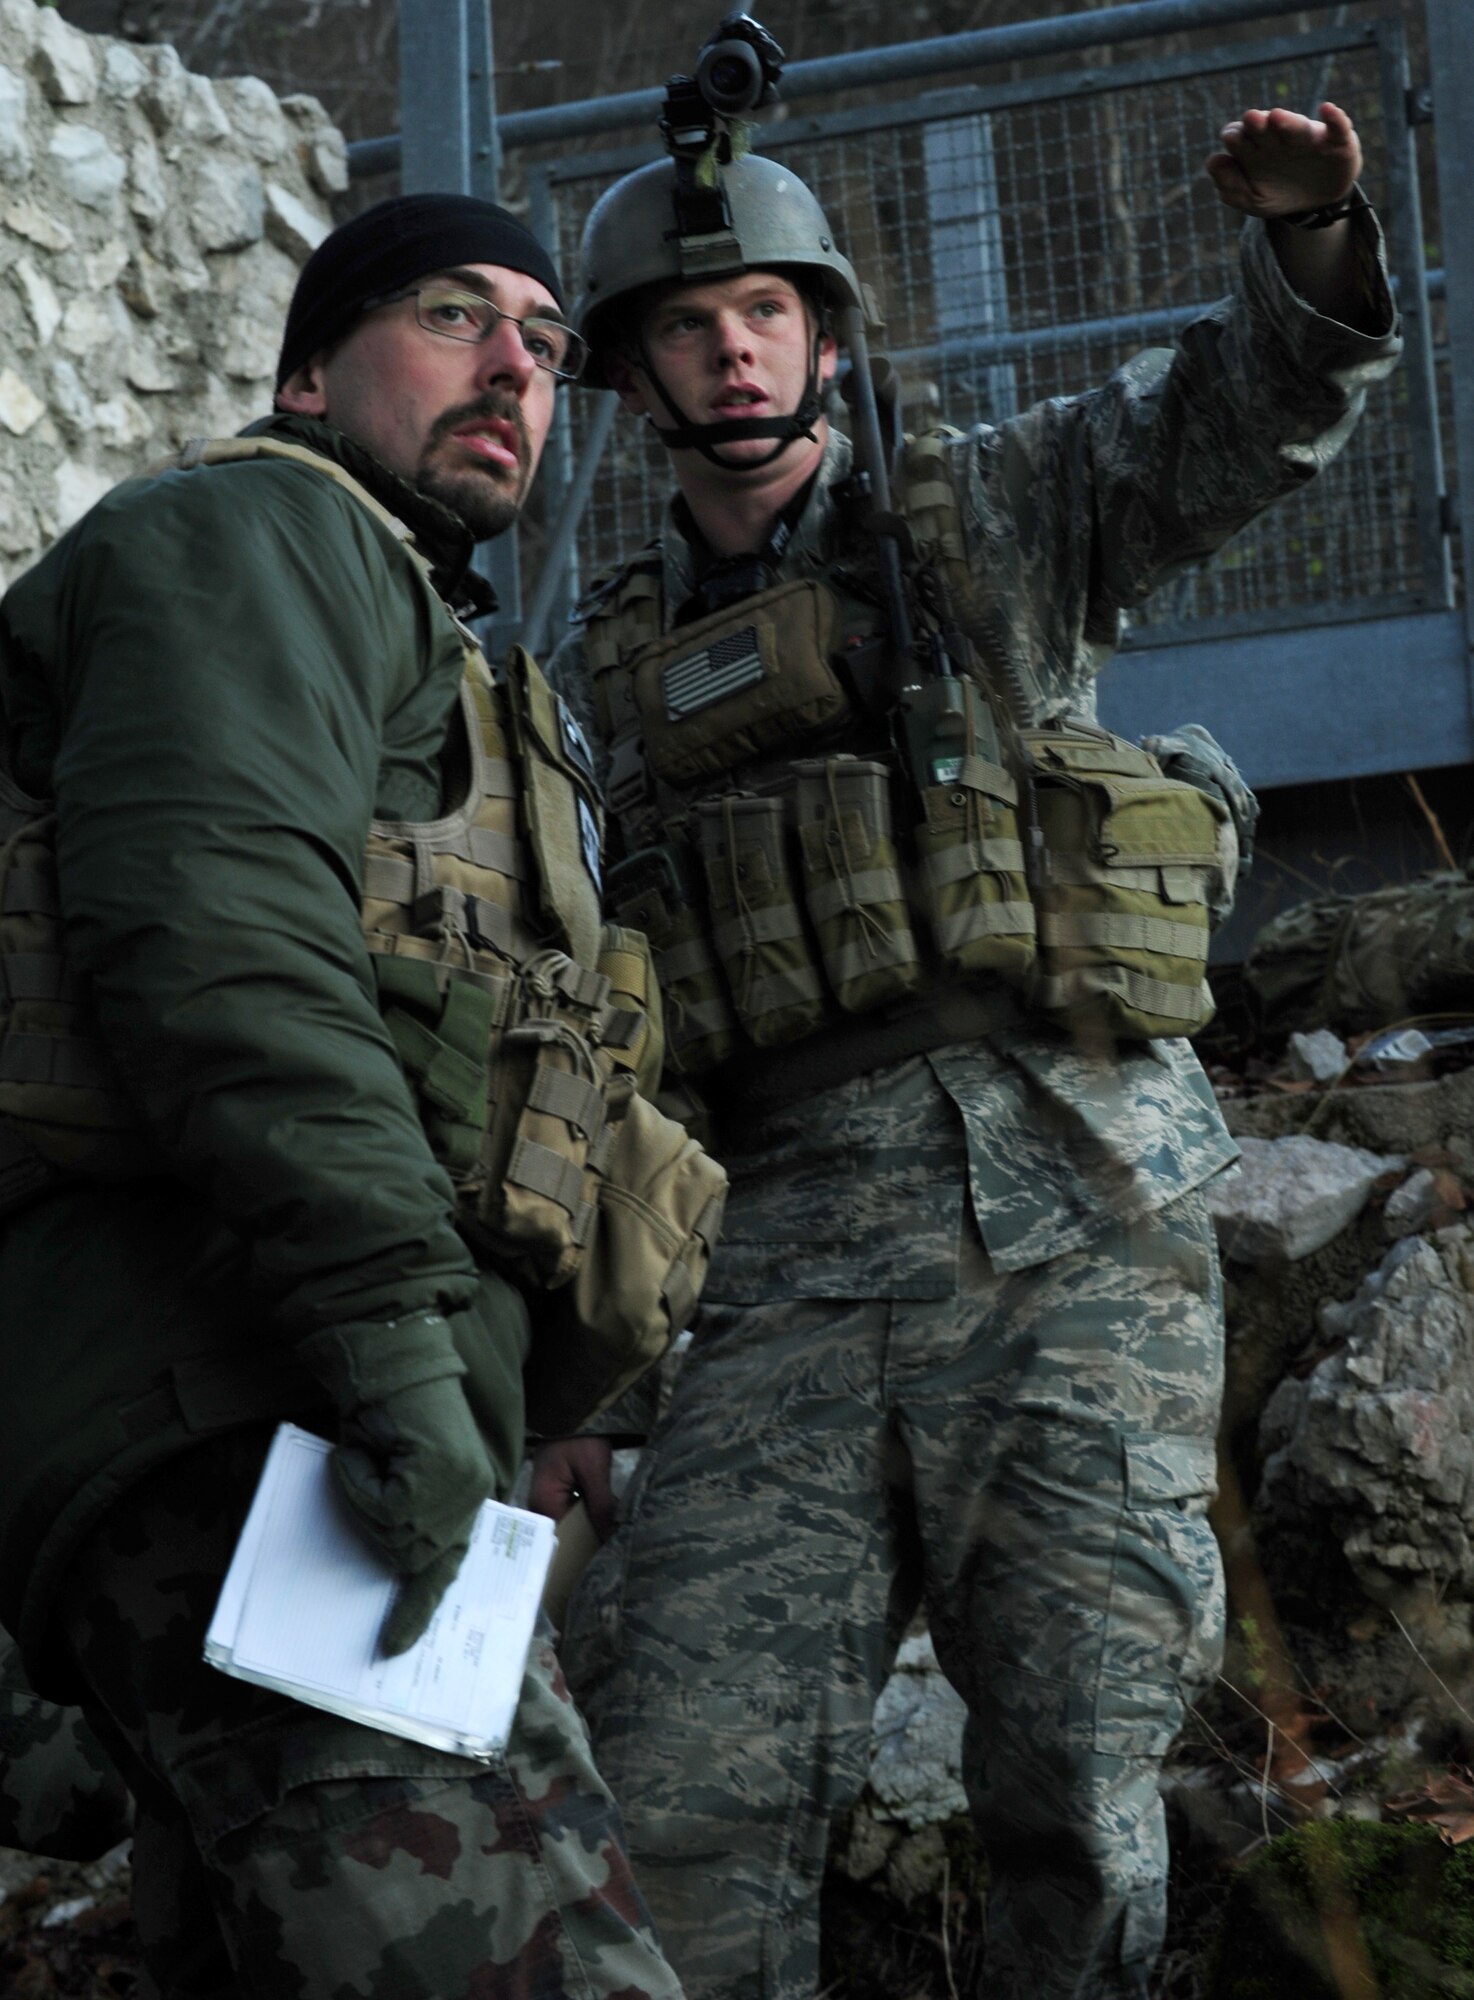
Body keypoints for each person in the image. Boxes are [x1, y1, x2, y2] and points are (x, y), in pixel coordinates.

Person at [532, 89, 1401, 2000]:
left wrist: (1310, 240)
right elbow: (608, 1041)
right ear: (627, 373)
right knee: (678, 1781)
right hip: (780, 1288)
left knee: (1079, 1798)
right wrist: (588, 1393)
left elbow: (1232, 422)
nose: (730, 348)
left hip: (1081, 1230)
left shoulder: (998, 508)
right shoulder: (586, 678)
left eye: (764, 309)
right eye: (685, 324)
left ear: (826, 333)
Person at [0, 193, 691, 2000]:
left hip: (289, 1408)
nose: (513, 371)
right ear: (309, 374)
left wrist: (529, 1388)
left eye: (543, 347)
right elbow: (218, 948)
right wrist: (398, 1347)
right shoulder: (255, 535)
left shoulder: (428, 634)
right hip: (241, 1399)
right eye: (455, 319)